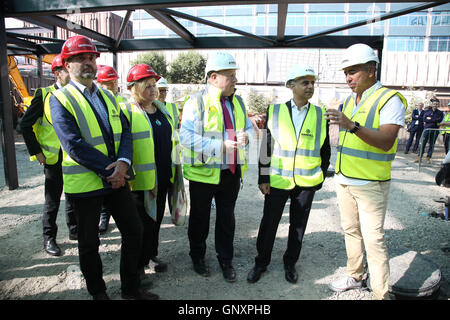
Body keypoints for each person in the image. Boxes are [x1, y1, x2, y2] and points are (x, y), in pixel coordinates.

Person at [48, 35, 157, 300]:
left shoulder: (108, 97)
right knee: (89, 244)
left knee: (134, 231)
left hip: (116, 179)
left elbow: (126, 132)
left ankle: (130, 290)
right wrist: (112, 171)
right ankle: (99, 293)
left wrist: (124, 162)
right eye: (80, 58)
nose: (87, 62)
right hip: (86, 185)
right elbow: (73, 144)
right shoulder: (60, 99)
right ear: (67, 64)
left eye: (91, 57)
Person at [325, 43, 407, 300]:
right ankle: (356, 275)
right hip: (345, 179)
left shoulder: (389, 99)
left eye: (354, 71)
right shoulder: (349, 100)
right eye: (346, 72)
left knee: (374, 239)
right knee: (350, 230)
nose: (348, 78)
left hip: (371, 183)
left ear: (372, 70)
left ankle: (381, 293)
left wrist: (352, 125)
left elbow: (385, 141)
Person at [247, 64, 330, 284]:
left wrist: (319, 176)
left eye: (312, 82)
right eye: (305, 82)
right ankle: (261, 262)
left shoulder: (321, 114)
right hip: (277, 180)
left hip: (306, 181)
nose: (310, 86)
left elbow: (325, 149)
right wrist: (263, 178)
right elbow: (266, 147)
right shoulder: (274, 111)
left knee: (298, 226)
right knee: (269, 223)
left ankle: (290, 263)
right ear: (291, 86)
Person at [179, 51, 253, 282]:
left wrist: (247, 137)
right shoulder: (197, 102)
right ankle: (197, 257)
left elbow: (249, 127)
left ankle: (225, 259)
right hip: (203, 174)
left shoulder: (238, 101)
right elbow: (185, 137)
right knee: (199, 220)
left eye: (234, 75)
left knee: (226, 219)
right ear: (213, 77)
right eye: (229, 75)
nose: (235, 80)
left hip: (230, 173)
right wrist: (218, 145)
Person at [19, 54, 77, 256]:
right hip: (53, 158)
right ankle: (49, 238)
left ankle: (74, 230)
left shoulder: (76, 94)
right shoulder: (44, 94)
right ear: (57, 73)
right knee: (52, 199)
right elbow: (24, 125)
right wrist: (37, 152)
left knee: (72, 195)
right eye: (66, 69)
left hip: (73, 157)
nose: (70, 73)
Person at [124, 64, 176, 276]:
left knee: (155, 222)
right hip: (140, 182)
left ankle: (150, 256)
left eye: (154, 86)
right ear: (134, 88)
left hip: (162, 177)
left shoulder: (161, 109)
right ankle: (137, 267)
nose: (154, 90)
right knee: (140, 226)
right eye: (148, 87)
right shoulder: (127, 111)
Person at [95, 65, 128, 234]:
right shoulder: (97, 100)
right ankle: (104, 217)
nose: (112, 85)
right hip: (102, 155)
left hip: (120, 155)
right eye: (108, 82)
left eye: (114, 82)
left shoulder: (122, 101)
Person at [415, 98, 444, 164]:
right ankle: (419, 157)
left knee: (432, 144)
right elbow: (425, 119)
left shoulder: (440, 113)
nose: (435, 105)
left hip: (435, 130)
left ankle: (428, 158)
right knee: (423, 143)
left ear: (438, 105)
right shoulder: (427, 111)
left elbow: (439, 120)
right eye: (434, 104)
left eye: (436, 104)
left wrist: (430, 119)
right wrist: (434, 120)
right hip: (427, 130)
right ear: (432, 104)